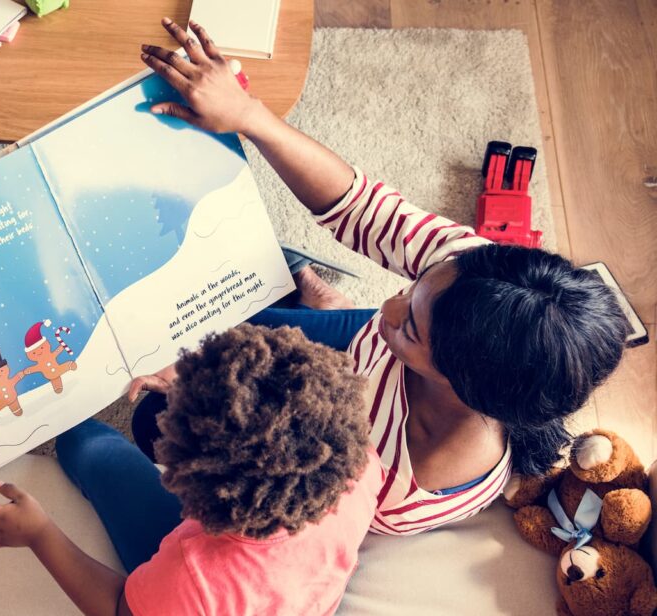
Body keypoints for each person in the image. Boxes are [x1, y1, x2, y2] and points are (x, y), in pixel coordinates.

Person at [130, 18, 630, 535]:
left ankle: (317, 300)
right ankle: (324, 301)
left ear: (461, 381)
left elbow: (276, 499)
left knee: (156, 417)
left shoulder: (393, 484)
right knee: (229, 304)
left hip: (335, 409)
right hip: (365, 355)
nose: (388, 304)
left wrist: (204, 391)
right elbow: (361, 208)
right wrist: (249, 116)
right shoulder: (476, 275)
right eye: (415, 283)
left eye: (412, 323)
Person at [0, 324, 382, 615]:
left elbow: (119, 608)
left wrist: (40, 533)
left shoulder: (193, 580)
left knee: (83, 442)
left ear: (194, 488)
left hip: (208, 593)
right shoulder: (362, 465)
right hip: (282, 579)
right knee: (113, 433)